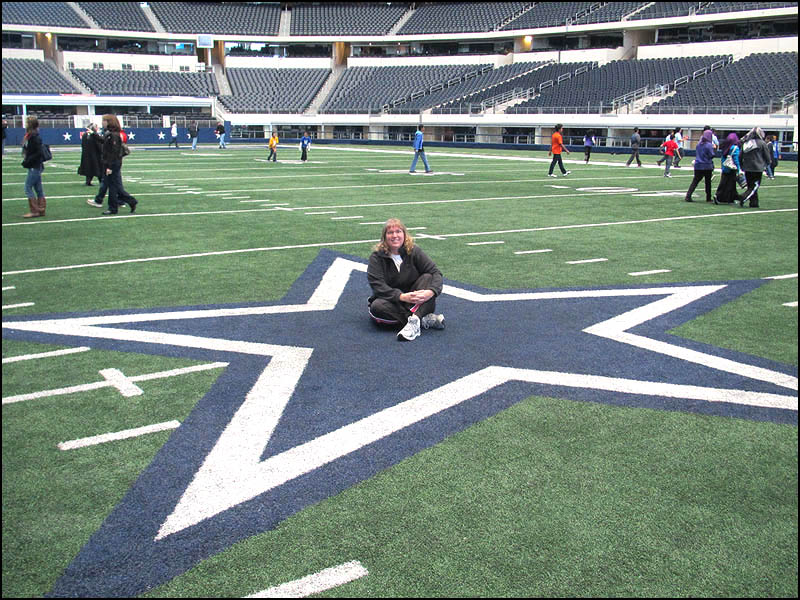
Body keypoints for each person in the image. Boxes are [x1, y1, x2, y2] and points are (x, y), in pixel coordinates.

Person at [367, 218, 445, 341]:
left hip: (415, 299)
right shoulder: (376, 258)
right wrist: (402, 296)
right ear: (384, 237)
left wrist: (430, 292)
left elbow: (436, 272)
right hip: (393, 301)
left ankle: (414, 321)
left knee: (428, 278)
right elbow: (378, 286)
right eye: (390, 232)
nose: (395, 236)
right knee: (376, 307)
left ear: (404, 234)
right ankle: (421, 317)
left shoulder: (414, 251)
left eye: (398, 231)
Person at [100, 113, 137, 215]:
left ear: (109, 122)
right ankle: (130, 201)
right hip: (111, 163)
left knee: (113, 186)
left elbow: (113, 152)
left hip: (113, 163)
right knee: (115, 186)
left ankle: (113, 208)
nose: (102, 123)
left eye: (104, 120)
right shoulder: (110, 134)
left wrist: (109, 166)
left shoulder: (114, 135)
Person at [738, 126, 771, 208]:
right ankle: (743, 197)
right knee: (755, 186)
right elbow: (767, 157)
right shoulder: (762, 143)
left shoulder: (746, 143)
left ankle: (754, 203)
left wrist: (742, 165)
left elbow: (740, 156)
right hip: (757, 168)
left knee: (750, 186)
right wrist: (766, 165)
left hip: (747, 167)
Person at [21, 116, 46, 218]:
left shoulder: (34, 137)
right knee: (38, 188)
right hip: (35, 165)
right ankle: (41, 209)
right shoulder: (32, 135)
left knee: (28, 187)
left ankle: (35, 210)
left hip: (34, 165)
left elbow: (38, 152)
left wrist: (27, 161)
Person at [684, 130, 715, 202]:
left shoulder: (698, 144)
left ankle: (688, 195)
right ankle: (708, 197)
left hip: (698, 165)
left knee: (695, 181)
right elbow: (712, 155)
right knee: (708, 182)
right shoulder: (709, 145)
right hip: (707, 165)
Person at [713, 132, 742, 205]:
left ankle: (723, 197)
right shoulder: (735, 148)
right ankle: (725, 198)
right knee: (730, 184)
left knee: (724, 183)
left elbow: (723, 158)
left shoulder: (726, 146)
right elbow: (736, 159)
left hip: (725, 167)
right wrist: (739, 169)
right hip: (732, 169)